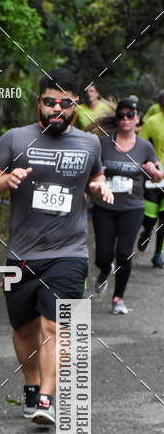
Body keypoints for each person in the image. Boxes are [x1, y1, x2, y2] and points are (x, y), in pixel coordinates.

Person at [0, 68, 113, 426]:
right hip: (21, 254)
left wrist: (99, 187)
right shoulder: (15, 139)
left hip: (70, 252)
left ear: (75, 106)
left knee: (55, 325)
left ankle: (46, 398)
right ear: (38, 103)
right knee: (24, 329)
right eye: (50, 101)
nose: (57, 108)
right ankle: (31, 383)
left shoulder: (89, 144)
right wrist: (7, 179)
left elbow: (96, 175)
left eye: (66, 103)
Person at [93, 99, 162, 313]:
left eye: (130, 115)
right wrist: (98, 179)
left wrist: (153, 170)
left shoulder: (144, 146)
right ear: (117, 119)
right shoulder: (104, 143)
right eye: (121, 115)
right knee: (103, 255)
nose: (125, 119)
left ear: (137, 118)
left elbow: (159, 175)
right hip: (104, 206)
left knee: (124, 253)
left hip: (132, 208)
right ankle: (105, 270)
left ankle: (118, 299)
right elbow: (92, 171)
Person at [138, 90, 164, 267]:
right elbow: (140, 146)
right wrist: (149, 166)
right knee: (150, 217)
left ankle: (158, 254)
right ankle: (147, 231)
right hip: (155, 177)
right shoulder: (152, 122)